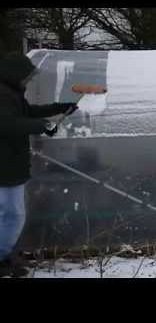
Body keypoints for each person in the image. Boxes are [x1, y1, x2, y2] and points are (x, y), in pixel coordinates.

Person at [0, 53, 78, 277]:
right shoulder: (2, 95)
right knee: (11, 215)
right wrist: (42, 125)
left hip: (10, 166)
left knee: (11, 214)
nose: (28, 81)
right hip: (4, 167)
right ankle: (2, 257)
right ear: (14, 74)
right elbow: (7, 124)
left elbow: (27, 113)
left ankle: (4, 255)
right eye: (26, 76)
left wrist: (59, 107)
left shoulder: (10, 93)